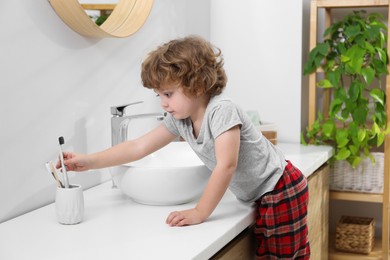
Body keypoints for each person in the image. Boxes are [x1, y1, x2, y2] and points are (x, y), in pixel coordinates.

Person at [58, 35, 310, 259]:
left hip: (280, 188)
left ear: (197, 85)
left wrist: (200, 212)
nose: (163, 104)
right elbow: (138, 147)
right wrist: (88, 161)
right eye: (159, 95)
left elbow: (226, 165)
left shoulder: (221, 110)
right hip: (261, 194)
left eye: (168, 94)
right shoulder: (181, 120)